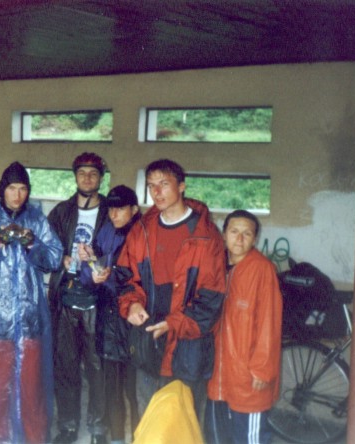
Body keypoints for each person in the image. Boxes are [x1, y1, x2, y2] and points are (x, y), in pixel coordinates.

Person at [0, 162, 62, 444]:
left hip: (29, 316)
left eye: (23, 188)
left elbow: (54, 258)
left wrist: (32, 243)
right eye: (12, 188)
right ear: (2, 189)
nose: (17, 195)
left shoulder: (37, 220)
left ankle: (32, 437)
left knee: (31, 383)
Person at [117, 159, 226, 418]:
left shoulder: (206, 236)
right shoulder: (141, 231)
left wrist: (173, 324)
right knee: (147, 417)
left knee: (182, 421)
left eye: (164, 184)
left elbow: (211, 299)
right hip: (148, 341)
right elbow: (125, 277)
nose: (157, 192)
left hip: (188, 347)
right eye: (151, 186)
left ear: (182, 186)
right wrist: (132, 303)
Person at [205, 210, 283, 444]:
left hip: (248, 374)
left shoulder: (262, 269)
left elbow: (269, 322)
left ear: (255, 239)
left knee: (249, 438)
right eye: (234, 232)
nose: (239, 239)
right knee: (217, 436)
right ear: (224, 234)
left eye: (247, 234)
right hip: (217, 373)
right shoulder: (216, 264)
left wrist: (262, 369)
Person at [47, 152, 110, 444]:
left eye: (93, 173)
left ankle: (98, 429)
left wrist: (98, 262)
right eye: (82, 173)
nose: (87, 178)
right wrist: (60, 257)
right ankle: (68, 426)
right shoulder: (61, 212)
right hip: (66, 294)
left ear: (101, 178)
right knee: (66, 366)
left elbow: (121, 249)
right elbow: (45, 247)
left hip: (98, 298)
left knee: (98, 368)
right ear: (75, 176)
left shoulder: (111, 211)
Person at [76, 185, 141, 444]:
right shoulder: (106, 230)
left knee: (135, 392)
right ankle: (116, 439)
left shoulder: (143, 234)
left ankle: (140, 438)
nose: (114, 214)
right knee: (111, 389)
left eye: (120, 209)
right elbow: (90, 270)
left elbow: (138, 280)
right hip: (108, 319)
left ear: (134, 209)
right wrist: (90, 268)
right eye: (111, 209)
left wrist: (109, 276)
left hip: (133, 322)